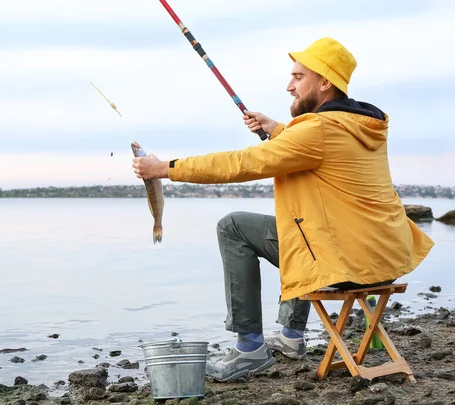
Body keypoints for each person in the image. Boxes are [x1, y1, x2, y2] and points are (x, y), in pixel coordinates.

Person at [131, 37, 435, 382]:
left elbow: (241, 163)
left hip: (350, 262)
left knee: (234, 226)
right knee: (301, 225)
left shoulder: (317, 131)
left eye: (298, 77)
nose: (289, 86)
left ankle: (249, 350)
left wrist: (164, 168)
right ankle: (290, 337)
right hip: (386, 257)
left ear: (324, 82)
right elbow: (314, 145)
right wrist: (277, 129)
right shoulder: (360, 125)